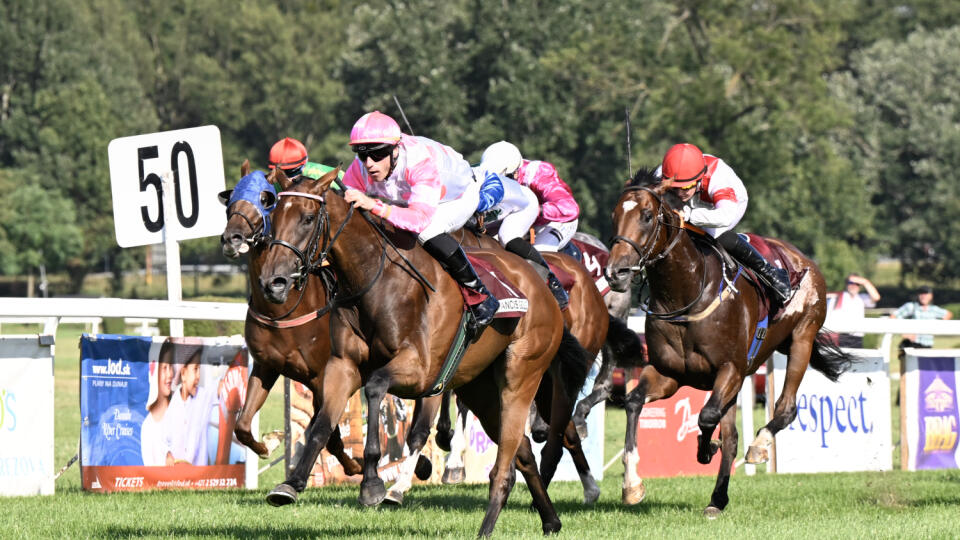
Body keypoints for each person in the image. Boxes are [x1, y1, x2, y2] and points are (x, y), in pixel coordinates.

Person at [341, 111, 499, 330]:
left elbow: (418, 220)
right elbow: (346, 204)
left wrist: (374, 205)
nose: (368, 163)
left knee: (426, 231)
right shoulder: (362, 166)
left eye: (377, 155)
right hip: (414, 199)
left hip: (456, 196)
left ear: (395, 150)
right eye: (361, 154)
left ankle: (481, 295)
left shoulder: (419, 160)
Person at [651, 143, 793, 303]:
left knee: (713, 234)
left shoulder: (718, 179)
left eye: (686, 188)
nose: (679, 193)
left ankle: (771, 274)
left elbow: (725, 216)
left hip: (728, 205)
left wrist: (690, 215)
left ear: (699, 178)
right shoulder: (662, 174)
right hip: (693, 202)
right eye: (675, 188)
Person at [473, 168, 569, 309]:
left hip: (524, 205)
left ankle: (552, 282)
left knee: (507, 237)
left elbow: (570, 209)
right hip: (499, 209)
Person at [479, 141, 580, 253]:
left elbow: (570, 209)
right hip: (518, 220)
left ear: (516, 172)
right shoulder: (483, 171)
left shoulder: (539, 174)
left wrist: (534, 211)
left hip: (554, 222)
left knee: (540, 252)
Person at [140, 340, 176, 466]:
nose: (170, 374)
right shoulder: (147, 427)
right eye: (165, 368)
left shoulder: (180, 411)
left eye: (171, 366)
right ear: (154, 373)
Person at [826, 274, 881, 348]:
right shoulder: (839, 296)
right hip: (841, 336)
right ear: (846, 284)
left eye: (857, 283)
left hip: (857, 337)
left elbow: (876, 297)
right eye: (851, 283)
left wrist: (865, 282)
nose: (853, 286)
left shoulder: (862, 298)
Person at [268, 136, 342, 182]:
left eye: (290, 172)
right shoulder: (272, 183)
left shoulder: (323, 175)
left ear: (304, 165)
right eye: (278, 174)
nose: (286, 180)